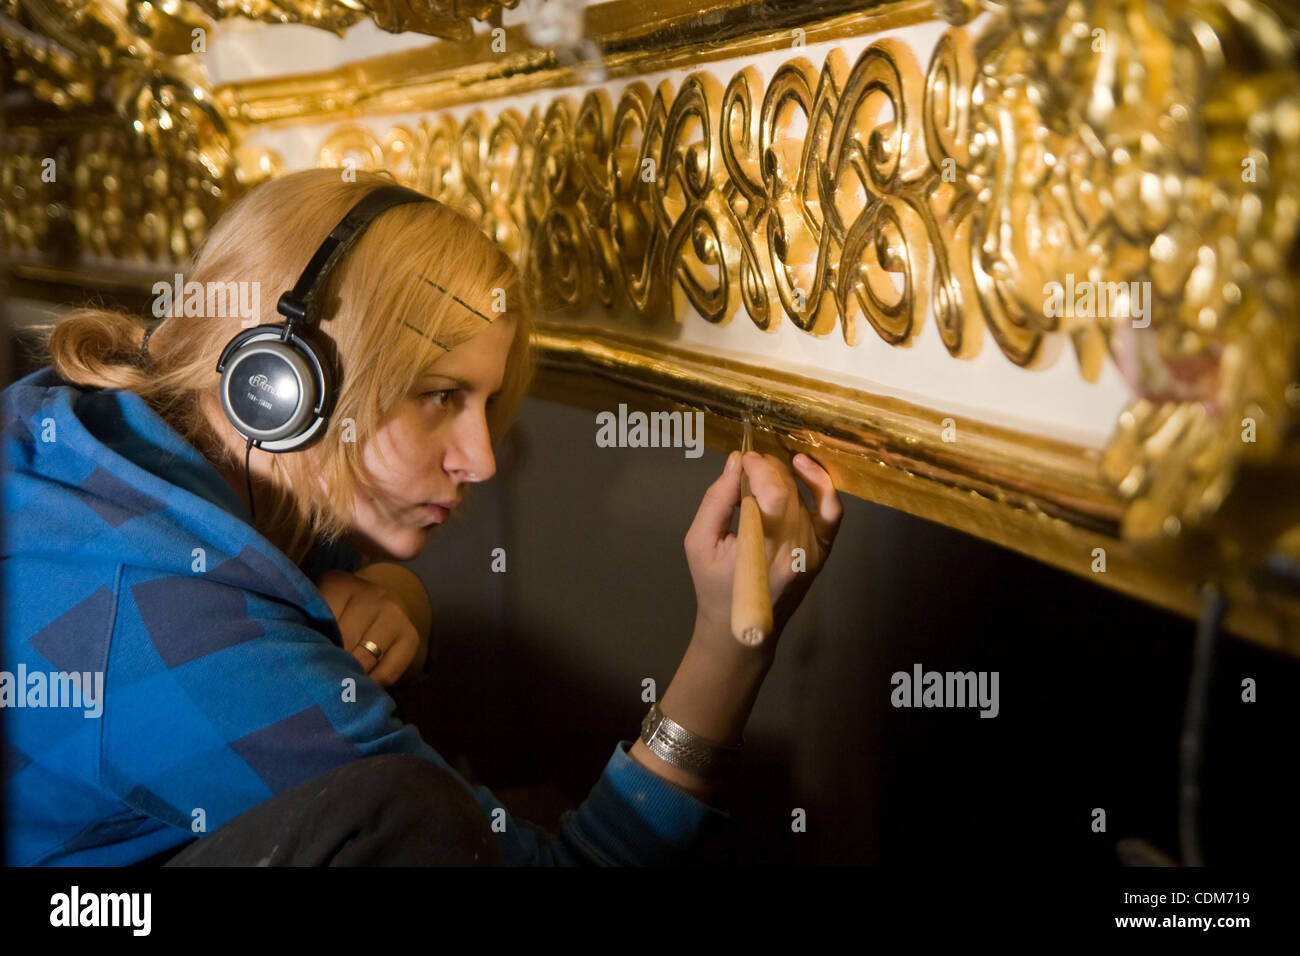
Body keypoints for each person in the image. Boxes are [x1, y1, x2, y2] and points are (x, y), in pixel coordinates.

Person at [1, 168, 843, 866]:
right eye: (439, 396)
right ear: (280, 383)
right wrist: (730, 646)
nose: (479, 459)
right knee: (414, 814)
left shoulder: (74, 431)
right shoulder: (177, 626)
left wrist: (397, 591)